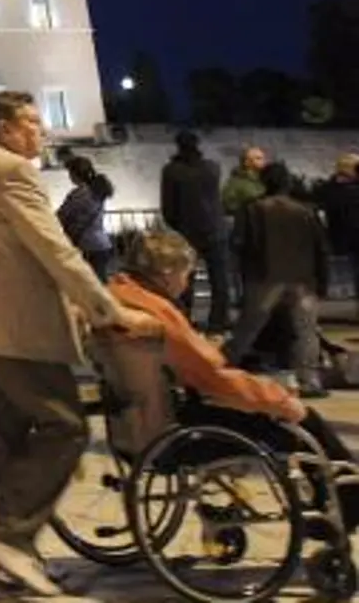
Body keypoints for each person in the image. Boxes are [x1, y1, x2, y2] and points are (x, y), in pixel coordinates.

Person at [0, 91, 164, 595]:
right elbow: (54, 248)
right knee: (64, 426)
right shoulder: (10, 170)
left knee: (4, 439)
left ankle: (14, 553)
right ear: (3, 127)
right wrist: (105, 308)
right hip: (17, 330)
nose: (41, 131)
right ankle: (9, 534)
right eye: (31, 122)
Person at [108, 228, 359, 532]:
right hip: (176, 429)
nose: (187, 282)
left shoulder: (121, 296)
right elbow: (213, 377)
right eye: (186, 274)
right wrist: (279, 399)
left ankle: (337, 503)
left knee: (285, 414)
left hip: (140, 423)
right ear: (166, 271)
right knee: (300, 425)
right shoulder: (156, 312)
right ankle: (343, 509)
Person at [224, 161, 332, 397]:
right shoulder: (306, 211)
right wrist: (323, 282)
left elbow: (238, 244)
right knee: (306, 331)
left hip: (265, 277)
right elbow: (321, 249)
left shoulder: (253, 209)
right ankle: (309, 381)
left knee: (247, 329)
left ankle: (221, 370)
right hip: (303, 279)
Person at [160, 130, 231, 331]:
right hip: (216, 229)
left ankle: (184, 321)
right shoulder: (212, 168)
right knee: (219, 280)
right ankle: (219, 322)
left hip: (187, 232)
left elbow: (168, 207)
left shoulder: (172, 171)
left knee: (184, 280)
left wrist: (176, 226)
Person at [56, 155, 115, 281]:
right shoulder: (98, 190)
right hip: (103, 243)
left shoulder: (79, 194)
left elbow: (62, 215)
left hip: (87, 246)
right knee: (101, 283)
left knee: (87, 283)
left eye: (70, 173)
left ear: (75, 174)